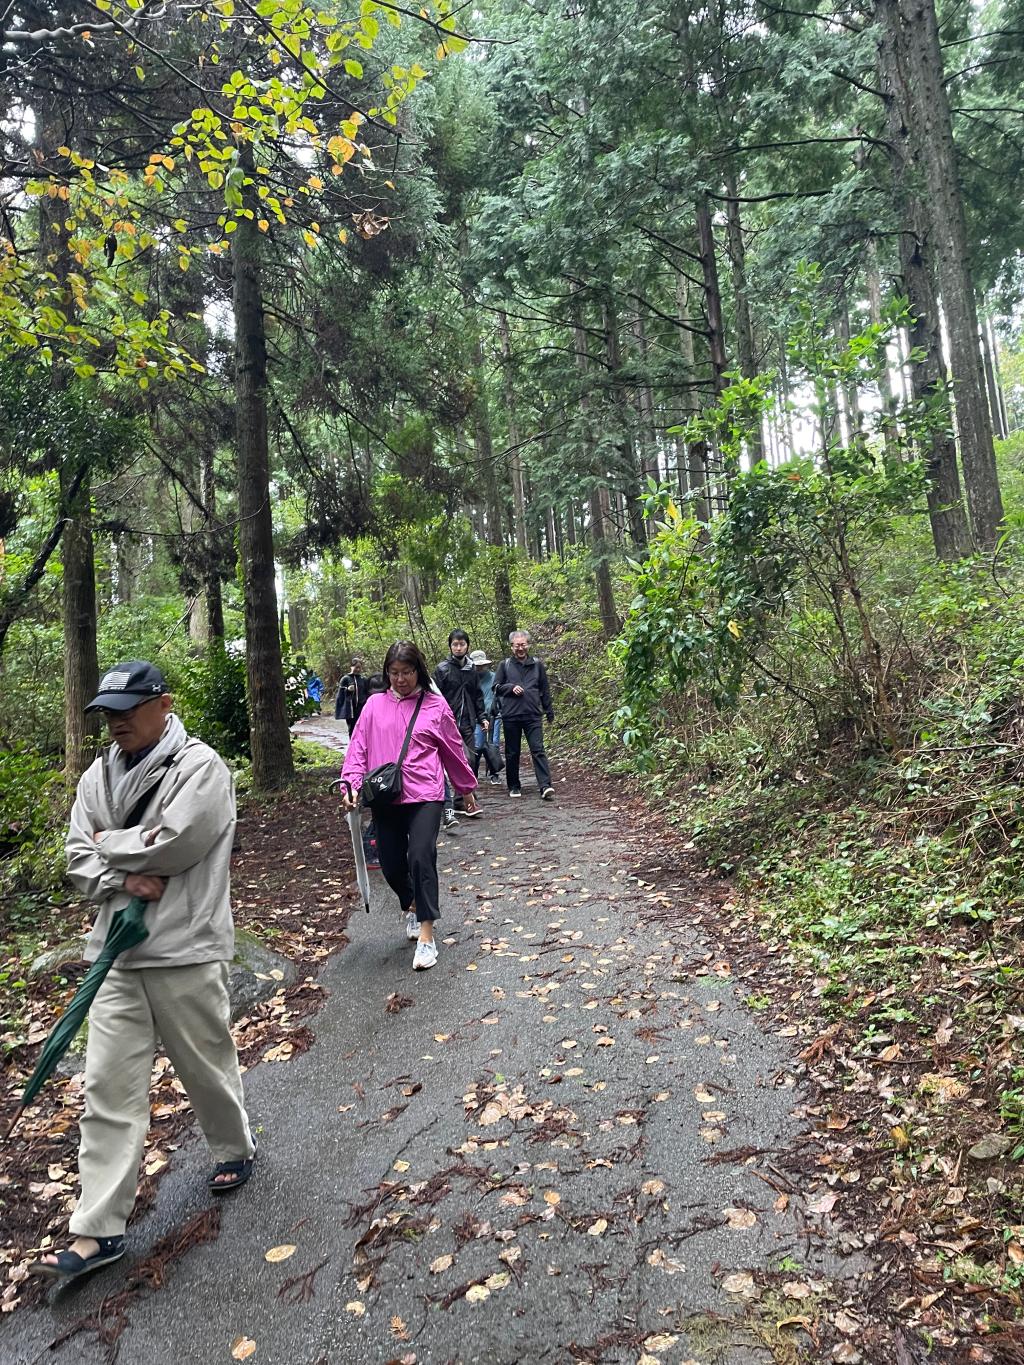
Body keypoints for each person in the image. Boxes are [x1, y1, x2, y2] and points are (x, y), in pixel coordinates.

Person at [29, 661, 255, 1284]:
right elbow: (77, 858)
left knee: (205, 1064)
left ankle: (234, 1147)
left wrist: (110, 842)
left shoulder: (202, 767)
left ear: (164, 704)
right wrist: (119, 871)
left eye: (130, 705)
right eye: (108, 709)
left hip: (184, 946)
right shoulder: (95, 778)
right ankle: (97, 1227)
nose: (118, 719)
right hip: (115, 954)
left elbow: (179, 842)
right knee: (106, 1087)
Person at [340, 641, 479, 971]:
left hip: (426, 794)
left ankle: (427, 937)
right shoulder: (374, 706)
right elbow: (358, 748)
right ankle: (414, 905)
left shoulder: (434, 707)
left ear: (419, 671)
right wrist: (350, 784)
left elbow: (452, 751)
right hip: (386, 795)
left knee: (420, 856)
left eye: (406, 672)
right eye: (394, 673)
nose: (400, 679)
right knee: (389, 863)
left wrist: (466, 788)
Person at [493, 629, 556, 800]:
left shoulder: (537, 665)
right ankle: (513, 785)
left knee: (538, 750)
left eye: (523, 645)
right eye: (516, 645)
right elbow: (496, 687)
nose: (520, 648)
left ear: (528, 645)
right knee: (512, 752)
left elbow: (544, 689)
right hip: (511, 716)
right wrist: (510, 688)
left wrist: (549, 712)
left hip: (533, 715)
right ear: (511, 647)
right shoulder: (504, 665)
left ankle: (545, 786)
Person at [434, 630, 487, 829]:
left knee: (471, 758)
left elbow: (477, 695)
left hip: (468, 721)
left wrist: (482, 717)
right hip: (447, 723)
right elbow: (434, 697)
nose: (458, 648)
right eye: (455, 644)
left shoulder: (471, 669)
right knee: (453, 760)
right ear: (450, 646)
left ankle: (462, 798)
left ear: (467, 646)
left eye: (462, 644)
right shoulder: (442, 669)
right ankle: (457, 800)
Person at [469, 649, 502, 784]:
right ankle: (473, 774)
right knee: (478, 746)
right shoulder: (470, 680)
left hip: (494, 715)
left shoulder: (494, 677)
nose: (480, 667)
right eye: (477, 665)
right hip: (478, 718)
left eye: (481, 665)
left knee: (493, 745)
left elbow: (499, 695)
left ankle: (494, 774)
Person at [335, 658, 369, 737]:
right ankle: (352, 746)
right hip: (351, 709)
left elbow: (367, 692)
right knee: (352, 728)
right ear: (351, 667)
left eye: (360, 667)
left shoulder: (363, 679)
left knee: (362, 728)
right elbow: (340, 695)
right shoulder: (345, 679)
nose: (358, 669)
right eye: (356, 667)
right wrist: (347, 690)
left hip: (362, 708)